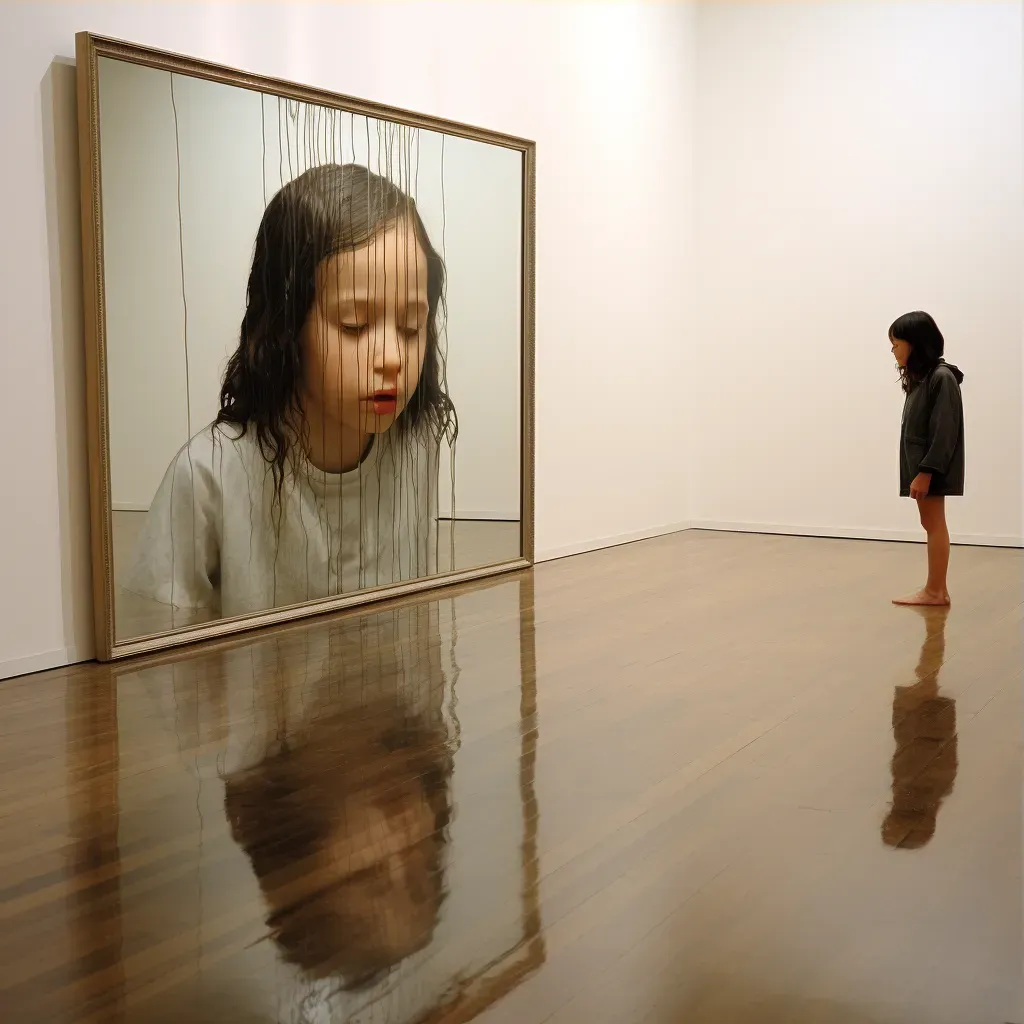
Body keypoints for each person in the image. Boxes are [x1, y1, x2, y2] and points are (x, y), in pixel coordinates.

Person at [123, 163, 456, 622]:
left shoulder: (417, 446)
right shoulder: (207, 477)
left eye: (411, 326)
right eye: (355, 325)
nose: (392, 357)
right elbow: (158, 661)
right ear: (286, 326)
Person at [889, 312, 964, 607]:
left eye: (896, 343)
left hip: (929, 468)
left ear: (915, 344)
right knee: (929, 522)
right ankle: (935, 588)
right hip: (922, 467)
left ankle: (936, 591)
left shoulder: (941, 379)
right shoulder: (922, 379)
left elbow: (944, 432)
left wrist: (926, 471)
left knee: (934, 523)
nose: (893, 350)